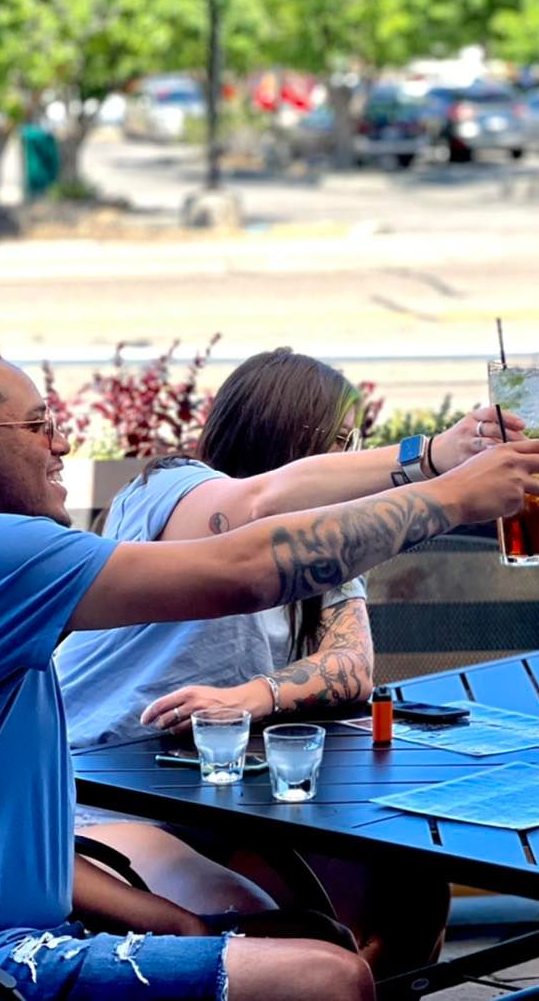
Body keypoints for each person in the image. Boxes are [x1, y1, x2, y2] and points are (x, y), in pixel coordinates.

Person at [0, 316, 539, 1000]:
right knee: (328, 977)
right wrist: (449, 492)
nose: (62, 443)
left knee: (331, 923)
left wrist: (174, 922)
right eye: (38, 425)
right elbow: (243, 569)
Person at [56, 347, 499, 975]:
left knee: (412, 887)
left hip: (221, 804)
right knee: (260, 929)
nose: (352, 458)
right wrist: (428, 461)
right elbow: (256, 505)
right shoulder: (170, 488)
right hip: (95, 797)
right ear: (287, 435)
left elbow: (352, 664)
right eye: (340, 442)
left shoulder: (323, 550)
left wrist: (252, 695)